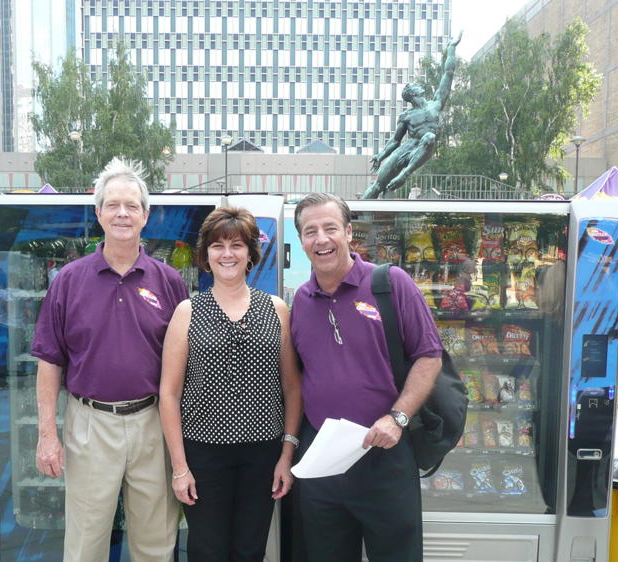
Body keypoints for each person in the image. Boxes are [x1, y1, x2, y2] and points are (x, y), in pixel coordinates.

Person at [31, 158, 188, 562]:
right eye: (113, 204)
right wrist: (48, 434)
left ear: (146, 215)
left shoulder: (167, 280)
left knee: (156, 540)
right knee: (86, 541)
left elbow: (186, 362)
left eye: (132, 205)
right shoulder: (68, 280)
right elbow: (49, 362)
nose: (122, 213)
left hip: (153, 421)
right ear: (98, 212)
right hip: (89, 423)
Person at [290, 193, 443, 561]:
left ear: (348, 232)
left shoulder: (389, 283)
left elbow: (429, 356)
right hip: (323, 462)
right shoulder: (300, 301)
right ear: (301, 242)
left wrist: (398, 417)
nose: (321, 239)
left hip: (385, 455)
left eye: (330, 228)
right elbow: (298, 377)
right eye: (310, 232)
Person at [159, 207, 302, 561]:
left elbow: (292, 388)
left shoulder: (277, 309)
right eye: (218, 245)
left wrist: (286, 454)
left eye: (236, 245)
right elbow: (169, 393)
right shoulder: (188, 311)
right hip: (204, 453)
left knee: (250, 549)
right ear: (205, 255)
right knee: (208, 549)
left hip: (263, 454)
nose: (227, 254)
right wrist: (180, 468)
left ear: (250, 253)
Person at [362, 32, 463, 199]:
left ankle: (405, 174)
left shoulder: (435, 104)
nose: (418, 86)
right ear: (412, 93)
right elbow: (395, 141)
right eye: (415, 86)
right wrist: (380, 156)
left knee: (429, 137)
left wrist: (451, 48)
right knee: (378, 185)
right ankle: (356, 216)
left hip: (424, 148)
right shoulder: (406, 116)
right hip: (407, 148)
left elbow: (448, 73)